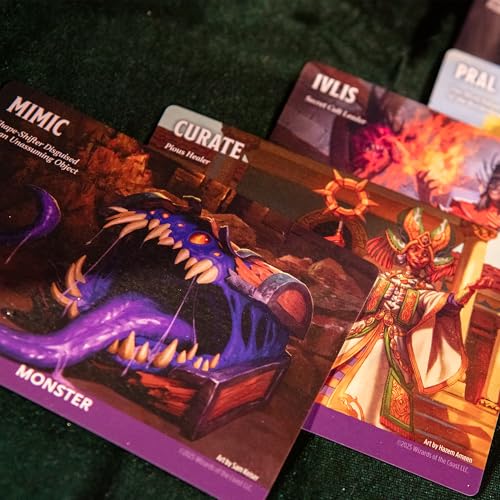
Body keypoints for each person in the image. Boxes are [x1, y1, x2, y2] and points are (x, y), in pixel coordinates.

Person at [319, 207, 497, 438]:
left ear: (430, 262)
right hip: (363, 332)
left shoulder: (425, 292)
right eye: (416, 250)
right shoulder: (383, 278)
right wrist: (338, 253)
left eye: (425, 255)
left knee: (378, 361)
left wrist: (469, 290)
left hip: (393, 345)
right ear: (404, 251)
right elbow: (355, 288)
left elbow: (449, 303)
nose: (419, 256)